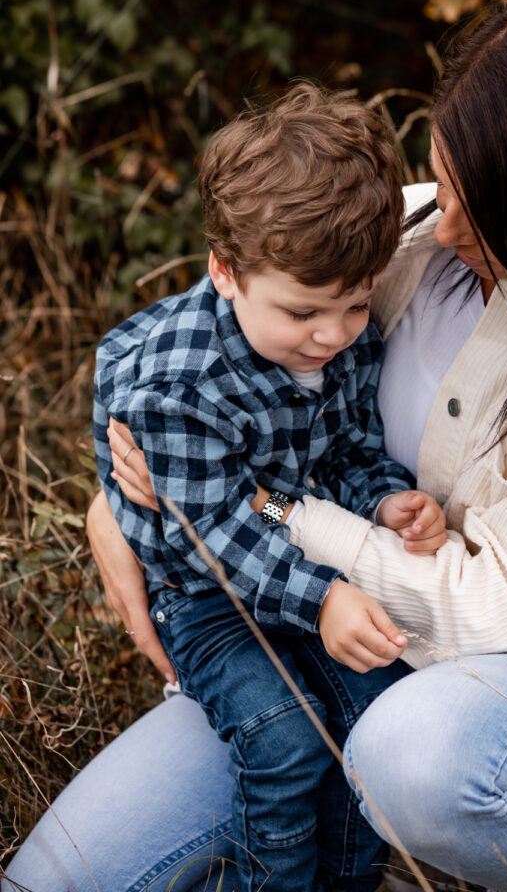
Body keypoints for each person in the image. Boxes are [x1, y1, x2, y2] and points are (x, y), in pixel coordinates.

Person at [3, 0, 507, 892]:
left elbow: (487, 610)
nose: (444, 220)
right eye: (444, 174)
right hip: (314, 635)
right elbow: (217, 346)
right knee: (55, 879)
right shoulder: (411, 231)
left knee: (412, 757)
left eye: (485, 204)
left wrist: (251, 509)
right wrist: (118, 504)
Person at [89, 81, 447, 892]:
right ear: (224, 271)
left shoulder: (341, 337)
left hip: (310, 569)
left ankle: (348, 881)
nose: (329, 335)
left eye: (353, 306)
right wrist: (322, 600)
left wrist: (383, 498)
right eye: (301, 313)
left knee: (374, 719)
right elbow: (215, 536)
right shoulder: (177, 390)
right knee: (284, 735)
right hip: (210, 593)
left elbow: (349, 449)